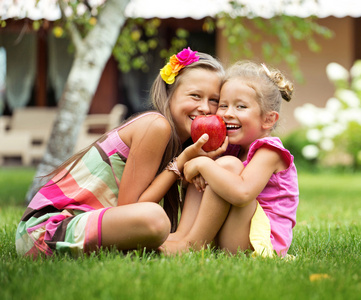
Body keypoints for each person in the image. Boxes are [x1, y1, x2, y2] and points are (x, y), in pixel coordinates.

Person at [15, 47, 227, 258]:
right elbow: (131, 209)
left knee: (202, 176)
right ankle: (166, 248)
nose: (205, 108)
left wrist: (196, 162)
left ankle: (184, 243)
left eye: (214, 101)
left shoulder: (185, 145)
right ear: (170, 96)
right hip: (44, 232)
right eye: (195, 96)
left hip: (81, 227)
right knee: (154, 218)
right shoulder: (155, 125)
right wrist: (180, 163)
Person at [160, 60, 299, 258]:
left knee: (227, 167)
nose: (227, 114)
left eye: (241, 106)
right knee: (222, 168)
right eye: (223, 105)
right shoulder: (230, 147)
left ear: (268, 119)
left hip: (258, 240)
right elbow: (192, 178)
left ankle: (194, 244)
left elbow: (242, 193)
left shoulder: (270, 151)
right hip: (232, 232)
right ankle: (182, 236)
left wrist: (203, 164)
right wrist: (202, 167)